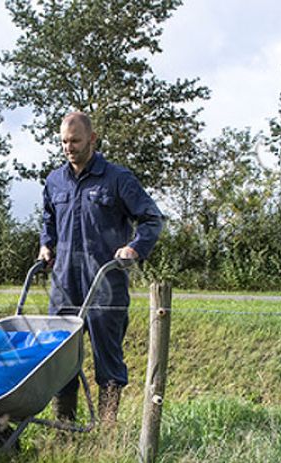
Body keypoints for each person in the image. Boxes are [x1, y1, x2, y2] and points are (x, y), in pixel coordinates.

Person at [38, 112, 163, 425]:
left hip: (105, 283)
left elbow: (151, 219)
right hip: (65, 283)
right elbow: (48, 220)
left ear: (92, 139)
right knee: (61, 358)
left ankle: (107, 430)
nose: (69, 147)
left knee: (108, 360)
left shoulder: (118, 179)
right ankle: (64, 428)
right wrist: (46, 244)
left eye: (75, 141)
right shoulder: (54, 181)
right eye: (64, 142)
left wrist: (134, 248)